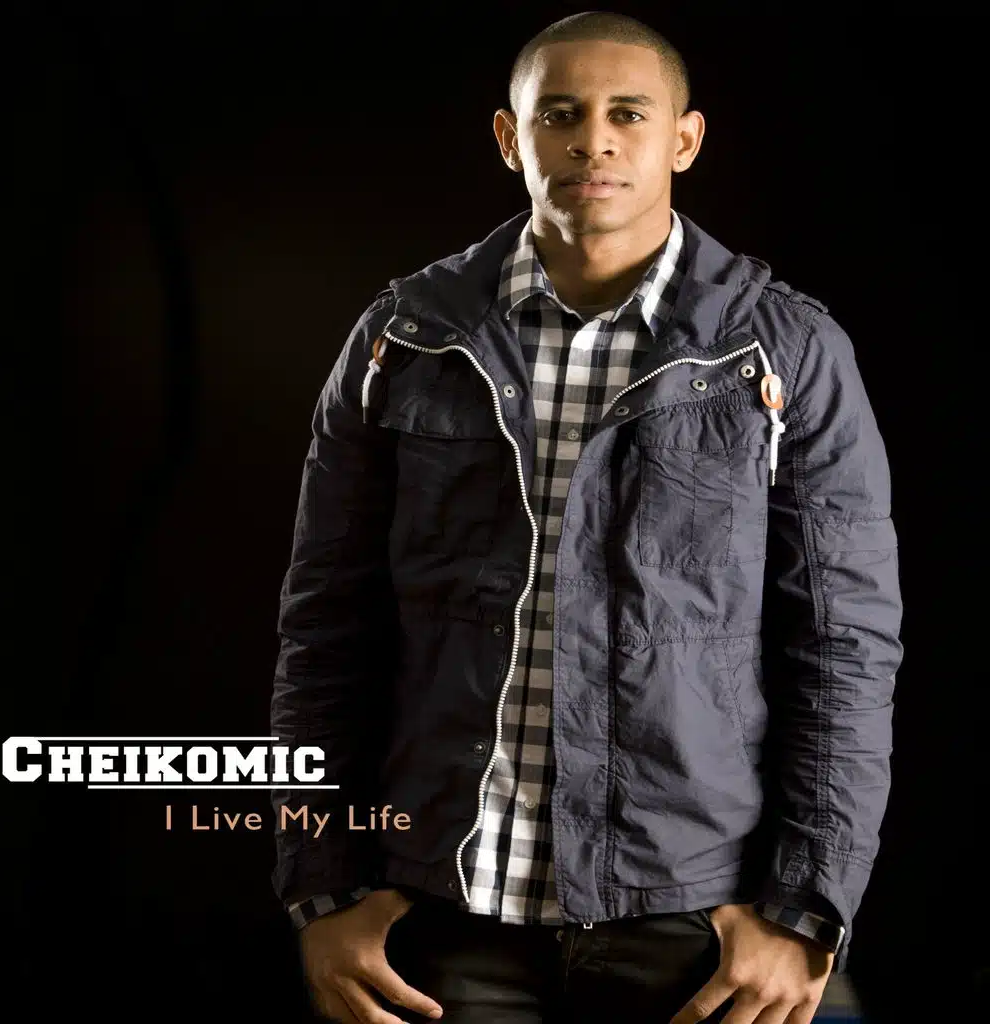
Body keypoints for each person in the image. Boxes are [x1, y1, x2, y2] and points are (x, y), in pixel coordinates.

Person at [269, 11, 903, 1024]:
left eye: (627, 115)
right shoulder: (406, 337)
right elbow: (326, 631)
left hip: (696, 915)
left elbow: (844, 648)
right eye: (559, 114)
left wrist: (804, 910)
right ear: (509, 138)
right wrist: (322, 890)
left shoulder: (785, 349)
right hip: (444, 914)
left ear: (683, 140)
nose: (592, 141)